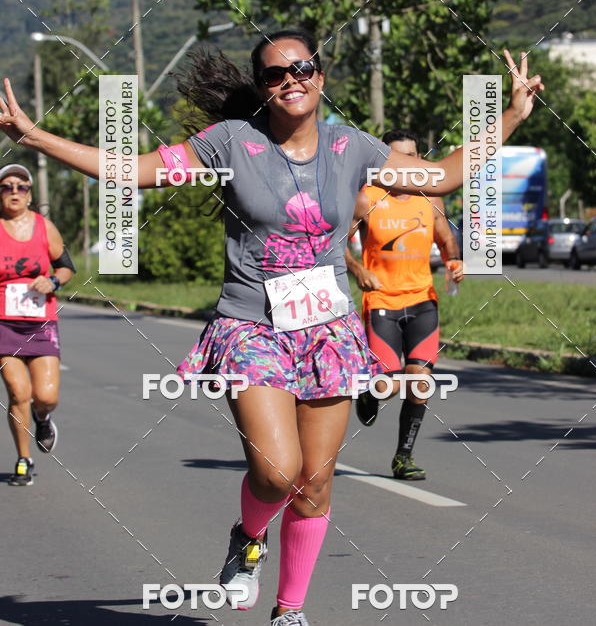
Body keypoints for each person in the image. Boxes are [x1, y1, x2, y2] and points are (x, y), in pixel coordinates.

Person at [0, 35, 542, 624]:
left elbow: (440, 176)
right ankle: (248, 537)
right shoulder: (231, 142)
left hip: (328, 331)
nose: (292, 80)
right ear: (261, 87)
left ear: (321, 74)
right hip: (250, 326)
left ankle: (290, 611)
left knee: (313, 483)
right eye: (275, 74)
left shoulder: (352, 146)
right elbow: (131, 171)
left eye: (302, 68)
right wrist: (33, 137)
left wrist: (511, 113)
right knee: (277, 471)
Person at [345, 129, 463, 481]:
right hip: (381, 301)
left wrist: (454, 261)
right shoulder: (366, 198)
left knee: (420, 382)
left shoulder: (430, 197)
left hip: (423, 300)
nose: (408, 165)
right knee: (390, 384)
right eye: (400, 158)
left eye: (414, 157)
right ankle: (370, 392)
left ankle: (403, 457)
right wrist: (358, 270)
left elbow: (445, 237)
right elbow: (337, 245)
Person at [0, 164, 75, 486]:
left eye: (21, 186)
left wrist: (53, 283)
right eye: (6, 186)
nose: (14, 191)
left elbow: (66, 266)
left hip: (40, 322)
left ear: (30, 194)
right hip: (3, 323)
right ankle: (23, 458)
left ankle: (42, 419)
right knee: (18, 392)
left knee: (45, 396)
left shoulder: (45, 228)